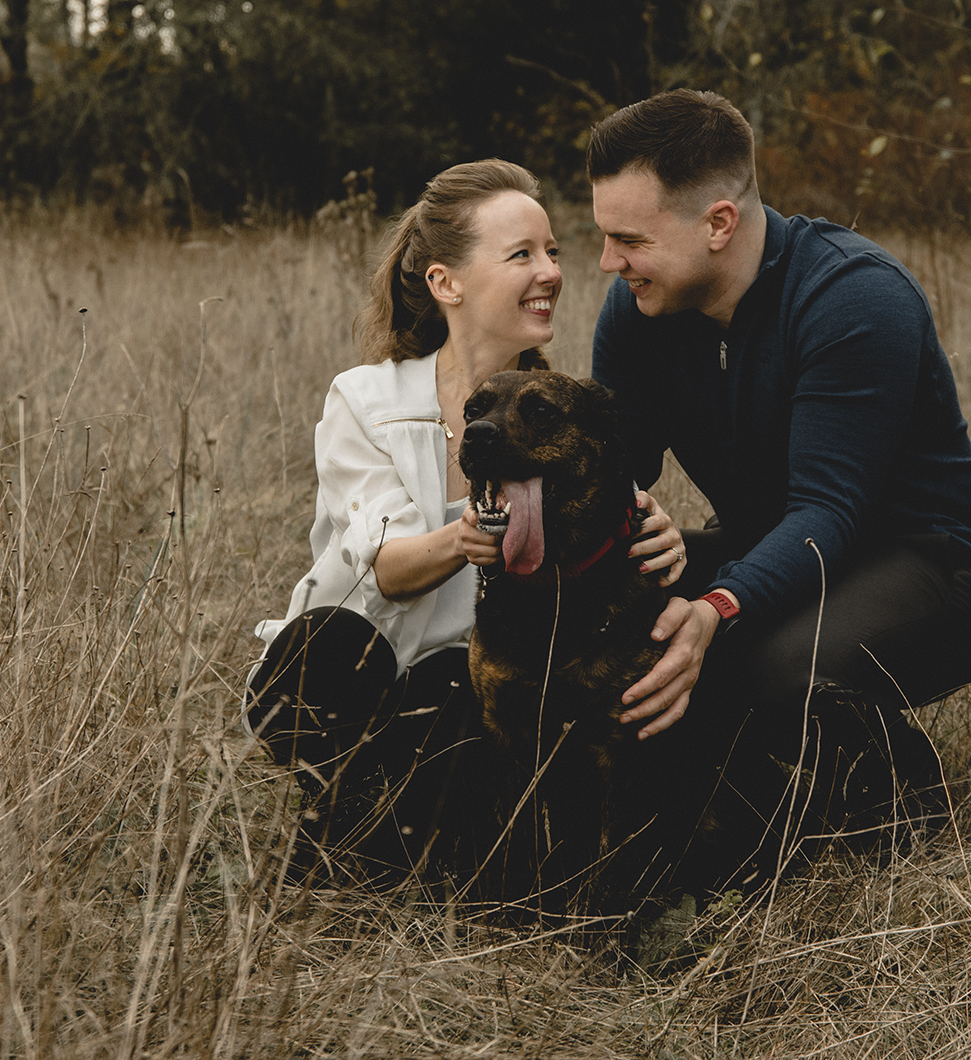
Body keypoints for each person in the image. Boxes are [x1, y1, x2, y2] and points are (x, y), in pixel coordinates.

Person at [587, 90, 971, 842]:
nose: (608, 261)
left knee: (771, 668)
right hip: (780, 547)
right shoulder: (641, 309)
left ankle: (905, 801)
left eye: (630, 239)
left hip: (931, 562)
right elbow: (612, 467)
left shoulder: (853, 298)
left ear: (718, 223)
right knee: (613, 617)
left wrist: (716, 609)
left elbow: (829, 511)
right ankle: (719, 807)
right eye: (603, 235)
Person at [243, 158, 685, 881]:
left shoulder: (556, 415)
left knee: (456, 710)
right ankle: (344, 811)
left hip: (475, 701)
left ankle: (399, 846)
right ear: (445, 283)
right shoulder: (366, 400)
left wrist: (642, 523)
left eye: (552, 252)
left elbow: (606, 524)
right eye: (521, 255)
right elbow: (386, 565)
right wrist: (470, 533)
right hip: (354, 669)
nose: (549, 272)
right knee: (328, 649)